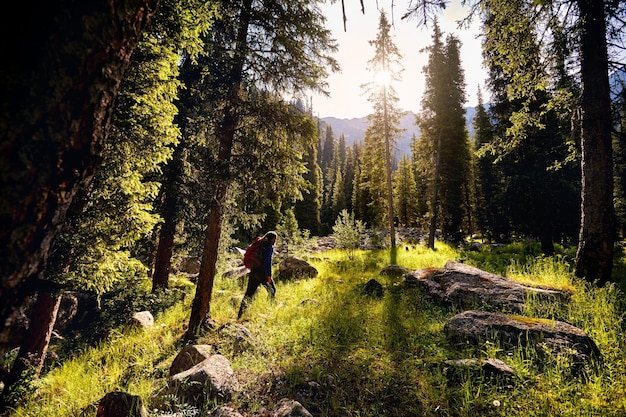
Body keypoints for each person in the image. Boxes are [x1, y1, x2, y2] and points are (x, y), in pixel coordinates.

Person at [237, 231, 277, 320]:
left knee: (249, 294)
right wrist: (269, 276)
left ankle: (239, 315)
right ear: (272, 239)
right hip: (262, 273)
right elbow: (267, 262)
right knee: (272, 290)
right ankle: (270, 312)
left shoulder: (259, 244)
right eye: (275, 239)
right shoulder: (269, 247)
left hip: (253, 271)